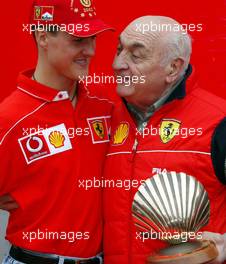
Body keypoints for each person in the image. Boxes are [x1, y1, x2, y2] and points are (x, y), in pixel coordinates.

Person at [103, 16, 226, 264]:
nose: (118, 64)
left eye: (136, 56)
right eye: (119, 49)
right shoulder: (104, 119)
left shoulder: (218, 122)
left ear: (173, 68)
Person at [0, 0, 114, 263]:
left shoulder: (106, 108)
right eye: (78, 39)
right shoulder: (10, 118)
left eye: (93, 38)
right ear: (43, 37)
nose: (91, 51)